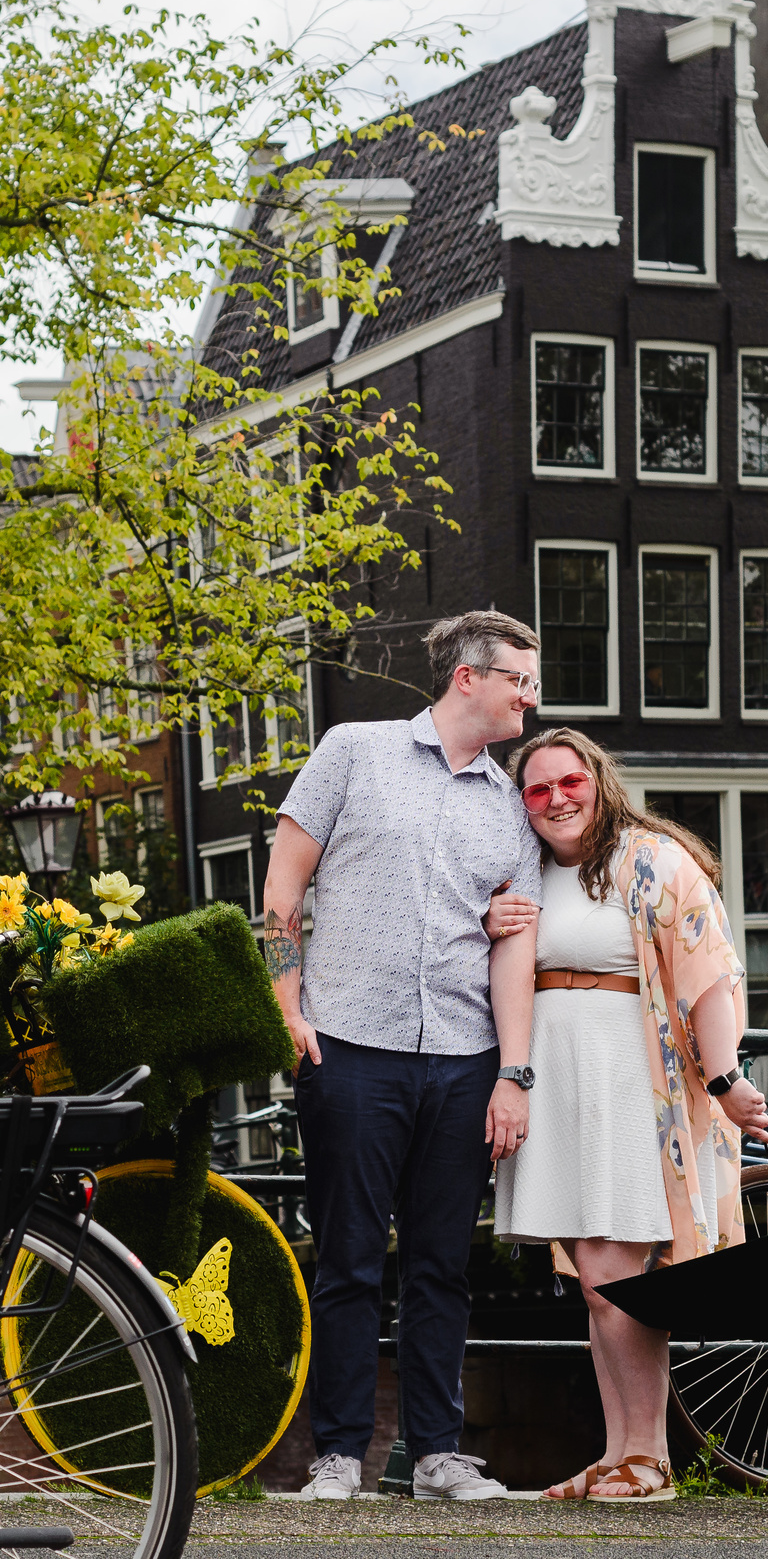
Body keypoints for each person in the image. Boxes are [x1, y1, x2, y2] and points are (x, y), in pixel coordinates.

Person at [260, 611, 544, 1502]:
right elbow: (282, 885)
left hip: (463, 1058)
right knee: (346, 1257)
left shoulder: (510, 807)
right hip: (347, 1045)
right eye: (520, 680)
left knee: (440, 1265)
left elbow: (514, 949)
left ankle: (436, 1457)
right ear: (469, 677)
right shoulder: (354, 750)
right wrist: (287, 1008)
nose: (531, 696)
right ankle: (338, 1457)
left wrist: (512, 1072)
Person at [486, 728, 768, 1501]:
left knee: (617, 1276)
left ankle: (649, 1459)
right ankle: (619, 1454)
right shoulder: (528, 871)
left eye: (569, 782)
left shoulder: (650, 860)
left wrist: (725, 1081)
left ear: (599, 780)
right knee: (594, 1280)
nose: (557, 800)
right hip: (557, 1079)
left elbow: (706, 970)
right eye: (539, 790)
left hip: (624, 1080)